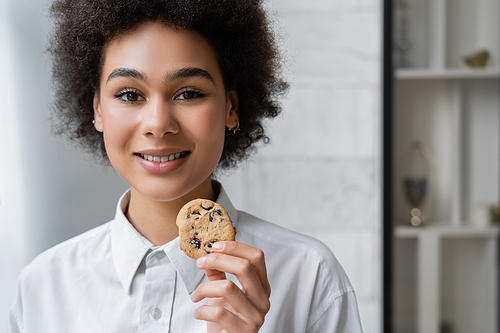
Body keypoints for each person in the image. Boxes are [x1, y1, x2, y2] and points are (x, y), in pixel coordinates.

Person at [9, 0, 363, 332]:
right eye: (130, 95)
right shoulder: (43, 286)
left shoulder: (310, 277)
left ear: (231, 107)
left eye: (188, 93)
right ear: (98, 109)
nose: (158, 123)